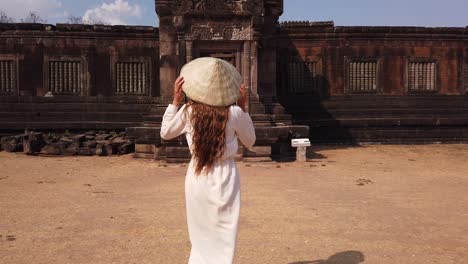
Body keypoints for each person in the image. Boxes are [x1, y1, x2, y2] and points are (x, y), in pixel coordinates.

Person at [160, 57, 256, 264]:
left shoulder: (188, 111)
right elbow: (251, 141)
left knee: (200, 233)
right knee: (224, 234)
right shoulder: (235, 113)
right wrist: (244, 107)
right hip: (226, 177)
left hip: (198, 175)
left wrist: (175, 102)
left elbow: (165, 132)